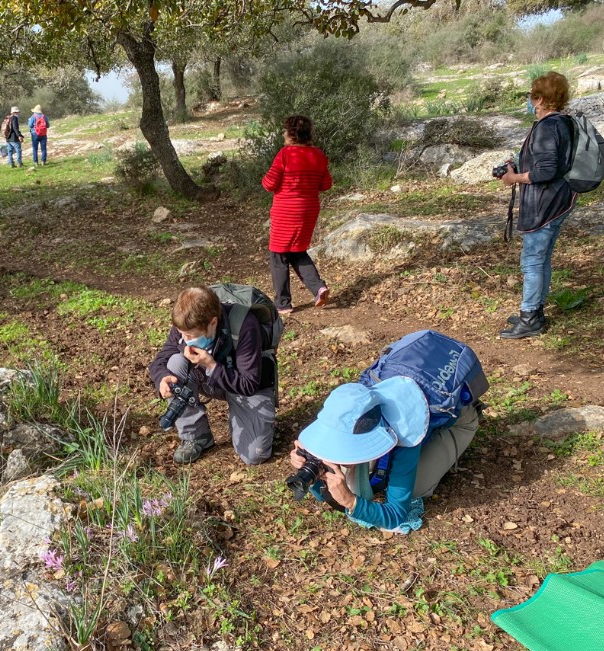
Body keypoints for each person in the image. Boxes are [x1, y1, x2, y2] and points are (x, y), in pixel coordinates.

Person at [289, 374, 481, 533]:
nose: (336, 456)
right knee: (354, 477)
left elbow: (396, 515)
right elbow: (326, 495)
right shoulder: (349, 414)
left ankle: (450, 426)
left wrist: (350, 501)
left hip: (459, 419)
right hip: (401, 404)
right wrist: (311, 472)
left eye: (345, 448)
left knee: (414, 488)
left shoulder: (405, 434)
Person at [149, 286, 275, 466]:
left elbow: (249, 384)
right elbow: (160, 360)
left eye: (190, 335)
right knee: (175, 364)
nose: (185, 339)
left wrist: (211, 365)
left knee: (255, 455)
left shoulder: (245, 325)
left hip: (244, 385)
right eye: (182, 334)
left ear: (213, 323)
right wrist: (162, 377)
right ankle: (196, 436)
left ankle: (248, 421)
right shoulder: (184, 324)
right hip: (207, 379)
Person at [497, 71, 577, 339]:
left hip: (545, 205)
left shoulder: (546, 127)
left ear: (540, 99)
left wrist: (513, 178)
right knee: (541, 258)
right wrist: (518, 164)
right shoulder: (563, 122)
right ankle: (535, 311)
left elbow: (546, 171)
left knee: (532, 260)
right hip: (559, 200)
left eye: (532, 96)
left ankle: (530, 316)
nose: (530, 102)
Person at [262, 115, 333, 316]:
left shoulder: (285, 155)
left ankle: (283, 304)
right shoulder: (318, 155)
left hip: (286, 212)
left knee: (278, 256)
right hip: (308, 212)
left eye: (285, 131)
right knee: (297, 251)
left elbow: (269, 184)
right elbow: (326, 184)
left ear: (291, 134)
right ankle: (318, 287)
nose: (283, 134)